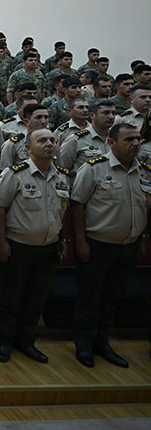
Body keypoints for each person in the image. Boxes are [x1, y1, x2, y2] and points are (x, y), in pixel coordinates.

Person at [69, 123, 150, 368]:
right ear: (112, 143)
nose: (135, 143)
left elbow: (145, 206)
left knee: (112, 298)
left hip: (128, 245)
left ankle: (102, 343)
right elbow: (77, 204)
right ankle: (84, 346)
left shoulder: (144, 171)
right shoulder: (94, 168)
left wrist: (143, 237)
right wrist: (80, 241)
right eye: (128, 140)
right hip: (98, 244)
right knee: (90, 298)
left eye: (137, 139)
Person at [0, 127, 70, 364]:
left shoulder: (61, 176)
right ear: (28, 148)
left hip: (48, 247)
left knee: (36, 298)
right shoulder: (15, 174)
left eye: (52, 140)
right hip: (18, 246)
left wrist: (62, 240)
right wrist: (2, 242)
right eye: (42, 141)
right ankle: (4, 341)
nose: (49, 144)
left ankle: (26, 341)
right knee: (12, 297)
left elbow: (63, 210)